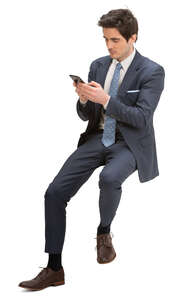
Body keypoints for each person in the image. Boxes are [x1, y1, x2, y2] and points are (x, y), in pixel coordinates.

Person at [18, 8, 165, 291]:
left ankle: (103, 232)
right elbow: (86, 115)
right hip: (98, 137)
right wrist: (85, 100)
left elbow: (142, 118)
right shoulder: (98, 65)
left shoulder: (152, 71)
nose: (109, 46)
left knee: (109, 178)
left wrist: (107, 99)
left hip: (129, 143)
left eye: (115, 40)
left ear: (132, 38)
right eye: (105, 39)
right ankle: (54, 268)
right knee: (54, 192)